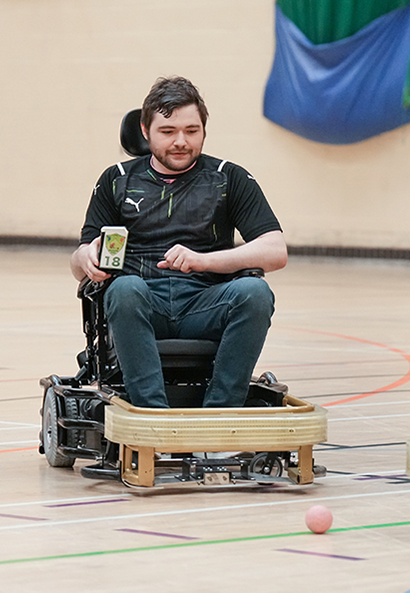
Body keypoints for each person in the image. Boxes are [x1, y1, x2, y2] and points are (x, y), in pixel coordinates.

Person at [71, 76, 287, 408]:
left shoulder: (230, 178)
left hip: (206, 303)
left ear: (203, 129)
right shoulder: (116, 179)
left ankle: (220, 416)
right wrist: (84, 257)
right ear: (145, 130)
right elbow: (80, 259)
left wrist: (205, 261)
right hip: (142, 302)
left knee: (255, 292)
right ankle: (152, 415)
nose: (181, 142)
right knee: (125, 289)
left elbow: (275, 251)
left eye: (191, 131)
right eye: (168, 132)